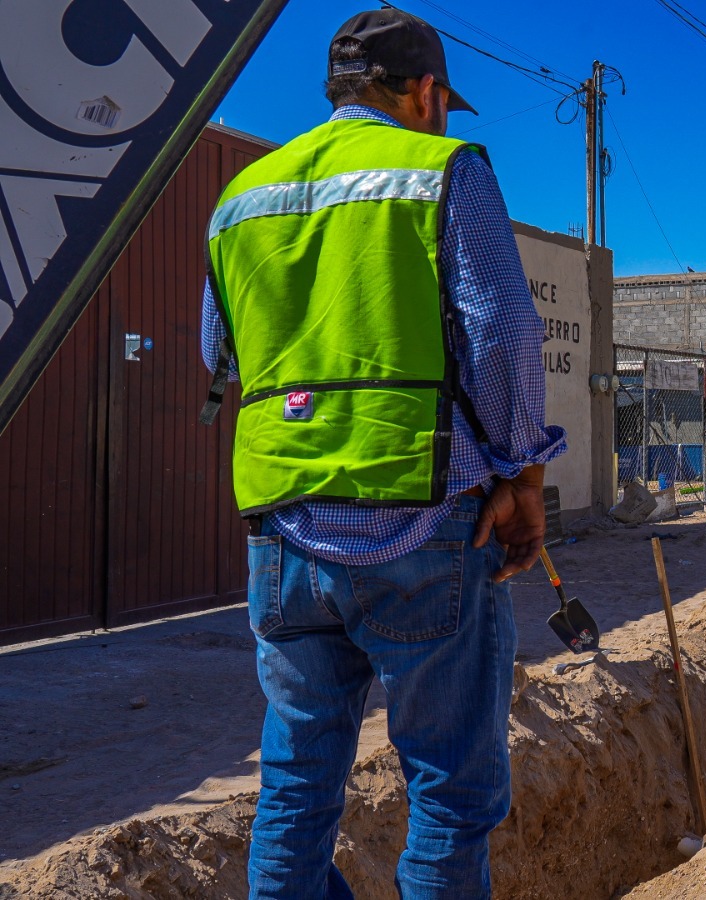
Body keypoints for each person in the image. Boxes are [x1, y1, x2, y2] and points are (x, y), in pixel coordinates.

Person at [200, 10, 565, 897]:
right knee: (450, 793)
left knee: (296, 787)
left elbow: (221, 354)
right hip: (424, 521)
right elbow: (505, 335)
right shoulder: (445, 170)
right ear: (426, 92)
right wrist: (522, 476)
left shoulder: (241, 197)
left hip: (283, 532)